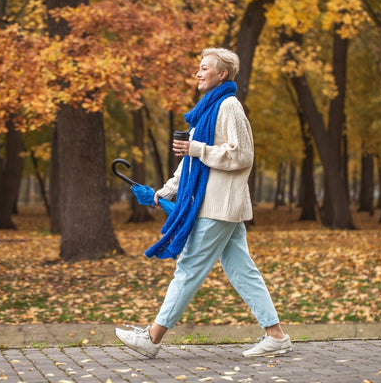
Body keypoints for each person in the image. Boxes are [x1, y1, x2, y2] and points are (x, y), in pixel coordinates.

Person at [114, 48, 292, 359]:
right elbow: (190, 163)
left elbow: (242, 155)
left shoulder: (229, 106)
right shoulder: (206, 110)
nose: (198, 72)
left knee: (188, 269)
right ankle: (275, 335)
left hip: (219, 205)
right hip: (216, 204)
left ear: (222, 74)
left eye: (204, 68)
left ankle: (152, 338)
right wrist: (166, 191)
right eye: (198, 67)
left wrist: (197, 148)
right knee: (242, 271)